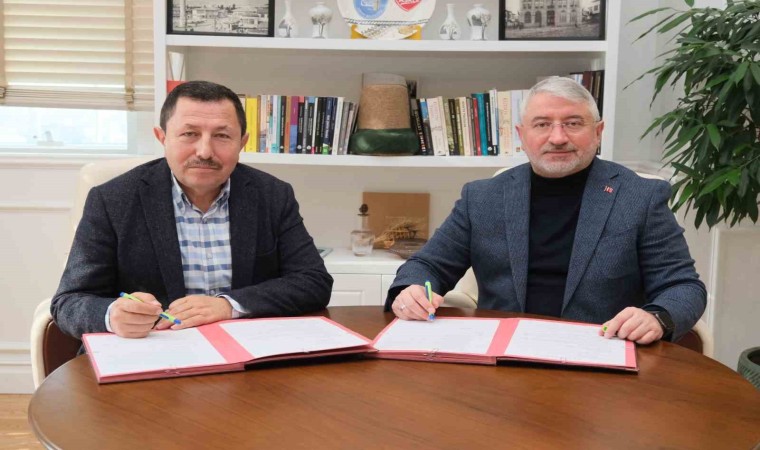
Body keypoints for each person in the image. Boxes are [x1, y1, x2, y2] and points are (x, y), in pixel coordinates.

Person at [385, 76, 706, 344]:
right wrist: (412, 290)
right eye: (542, 124)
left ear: (598, 132)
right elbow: (428, 265)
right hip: (502, 354)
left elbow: (682, 286)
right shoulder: (482, 197)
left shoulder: (640, 197)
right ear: (522, 136)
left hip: (600, 353)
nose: (558, 137)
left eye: (573, 123)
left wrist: (656, 317)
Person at [52, 80, 332, 339]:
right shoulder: (112, 200)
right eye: (189, 134)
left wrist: (228, 305)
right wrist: (112, 314)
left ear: (242, 142)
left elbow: (313, 282)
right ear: (162, 137)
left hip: (245, 347)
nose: (205, 151)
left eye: (222, 136)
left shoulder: (272, 195)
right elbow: (70, 301)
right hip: (155, 348)